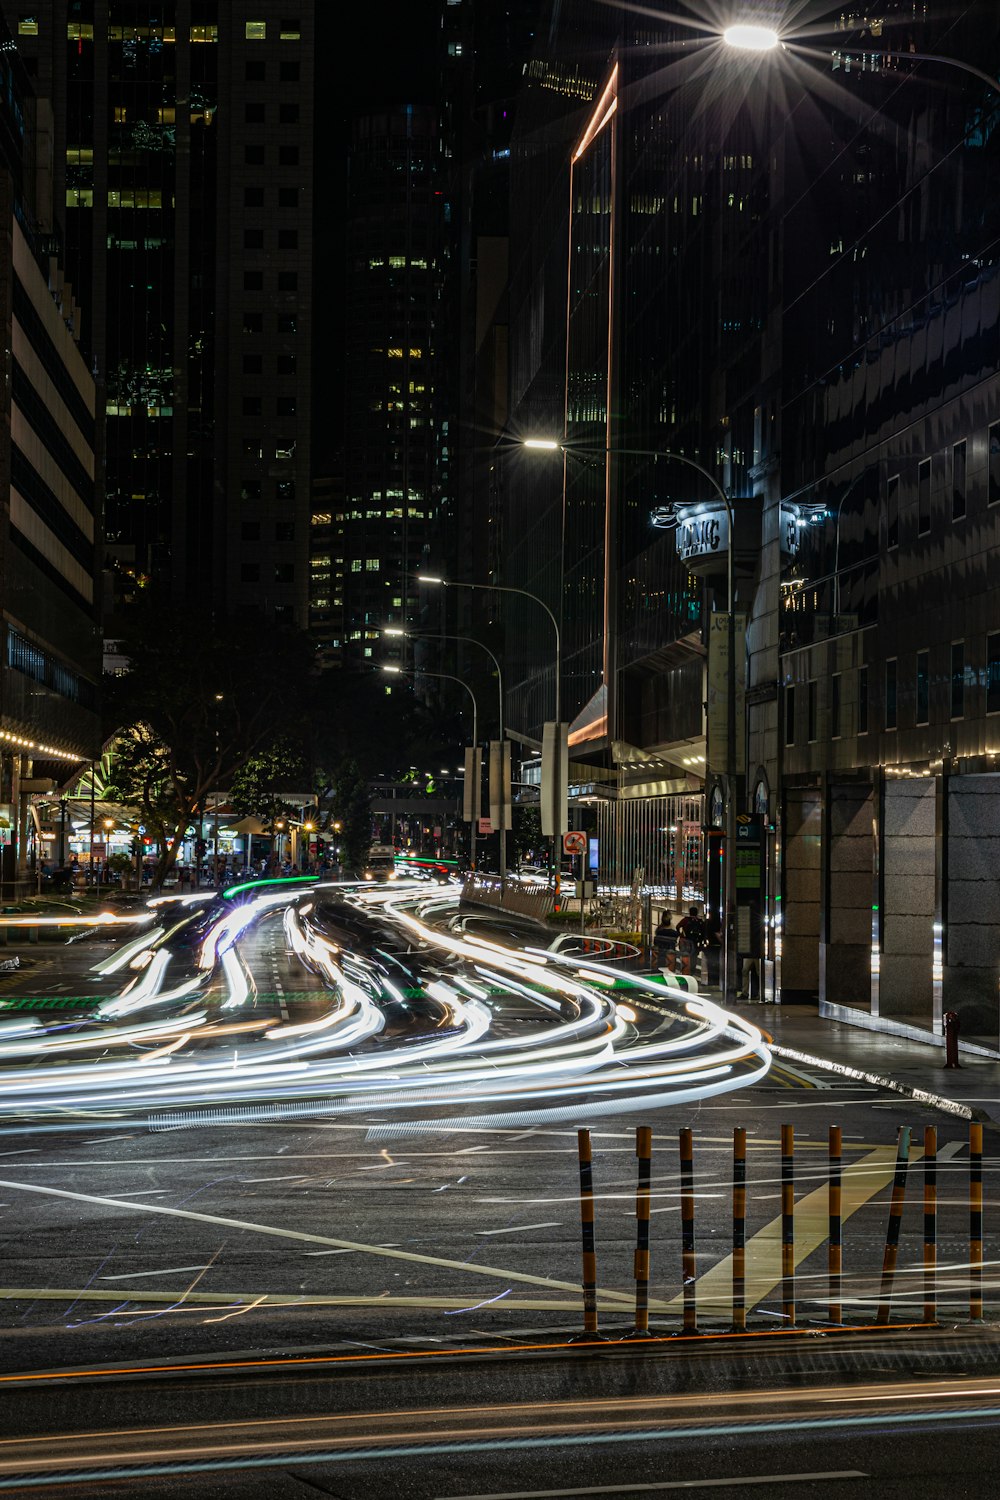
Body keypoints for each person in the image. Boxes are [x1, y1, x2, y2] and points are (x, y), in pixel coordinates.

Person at [676, 905, 706, 976]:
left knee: (685, 955)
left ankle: (685, 970)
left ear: (689, 912)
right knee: (694, 957)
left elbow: (678, 926)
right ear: (697, 913)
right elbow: (703, 932)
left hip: (685, 941)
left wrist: (680, 934)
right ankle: (692, 971)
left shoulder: (685, 920)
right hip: (695, 942)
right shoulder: (700, 921)